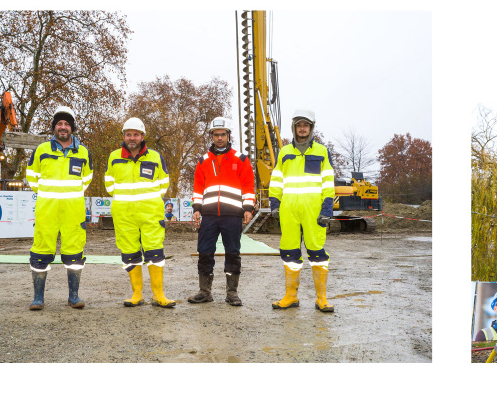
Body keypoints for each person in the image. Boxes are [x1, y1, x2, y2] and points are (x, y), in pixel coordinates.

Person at [104, 117, 176, 308]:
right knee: (129, 253)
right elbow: (109, 185)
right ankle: (137, 294)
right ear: (124, 136)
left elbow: (164, 183)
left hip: (150, 214)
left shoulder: (155, 156)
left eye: (136, 134)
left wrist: (147, 201)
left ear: (142, 136)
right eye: (129, 134)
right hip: (124, 215)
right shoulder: (114, 157)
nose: (132, 138)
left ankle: (158, 295)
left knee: (155, 252)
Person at [25, 106, 93, 310]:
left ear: (72, 128)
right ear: (54, 127)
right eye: (59, 124)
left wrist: (69, 197)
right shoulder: (42, 150)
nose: (63, 127)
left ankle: (74, 296)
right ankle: (38, 298)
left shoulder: (83, 152)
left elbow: (87, 178)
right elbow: (32, 177)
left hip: (73, 211)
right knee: (41, 250)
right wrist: (49, 195)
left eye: (66, 124)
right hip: (47, 210)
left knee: (74, 253)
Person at [270, 109, 336, 314]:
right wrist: (274, 203)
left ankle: (322, 298)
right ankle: (291, 296)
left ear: (311, 127)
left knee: (317, 252)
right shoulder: (284, 152)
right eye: (299, 125)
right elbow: (276, 180)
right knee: (289, 252)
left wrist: (327, 208)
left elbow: (328, 182)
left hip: (313, 211)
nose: (302, 128)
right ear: (294, 127)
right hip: (289, 211)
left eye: (306, 125)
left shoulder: (321, 152)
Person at [188, 117, 256, 306]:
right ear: (211, 136)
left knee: (232, 252)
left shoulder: (241, 159)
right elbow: (198, 187)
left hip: (232, 215)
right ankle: (204, 292)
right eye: (216, 135)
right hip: (208, 215)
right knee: (204, 252)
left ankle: (232, 293)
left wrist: (248, 208)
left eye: (223, 134)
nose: (219, 138)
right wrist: (196, 208)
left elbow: (248, 186)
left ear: (228, 135)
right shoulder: (203, 161)